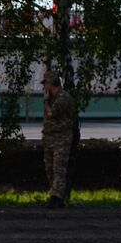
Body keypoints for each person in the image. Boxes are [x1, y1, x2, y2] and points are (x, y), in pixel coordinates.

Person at [42, 72, 78, 208]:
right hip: (50, 137)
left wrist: (46, 101)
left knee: (58, 168)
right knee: (49, 168)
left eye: (45, 83)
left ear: (51, 84)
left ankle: (56, 198)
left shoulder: (63, 98)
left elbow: (51, 114)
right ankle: (56, 195)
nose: (44, 86)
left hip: (61, 138)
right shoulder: (52, 98)